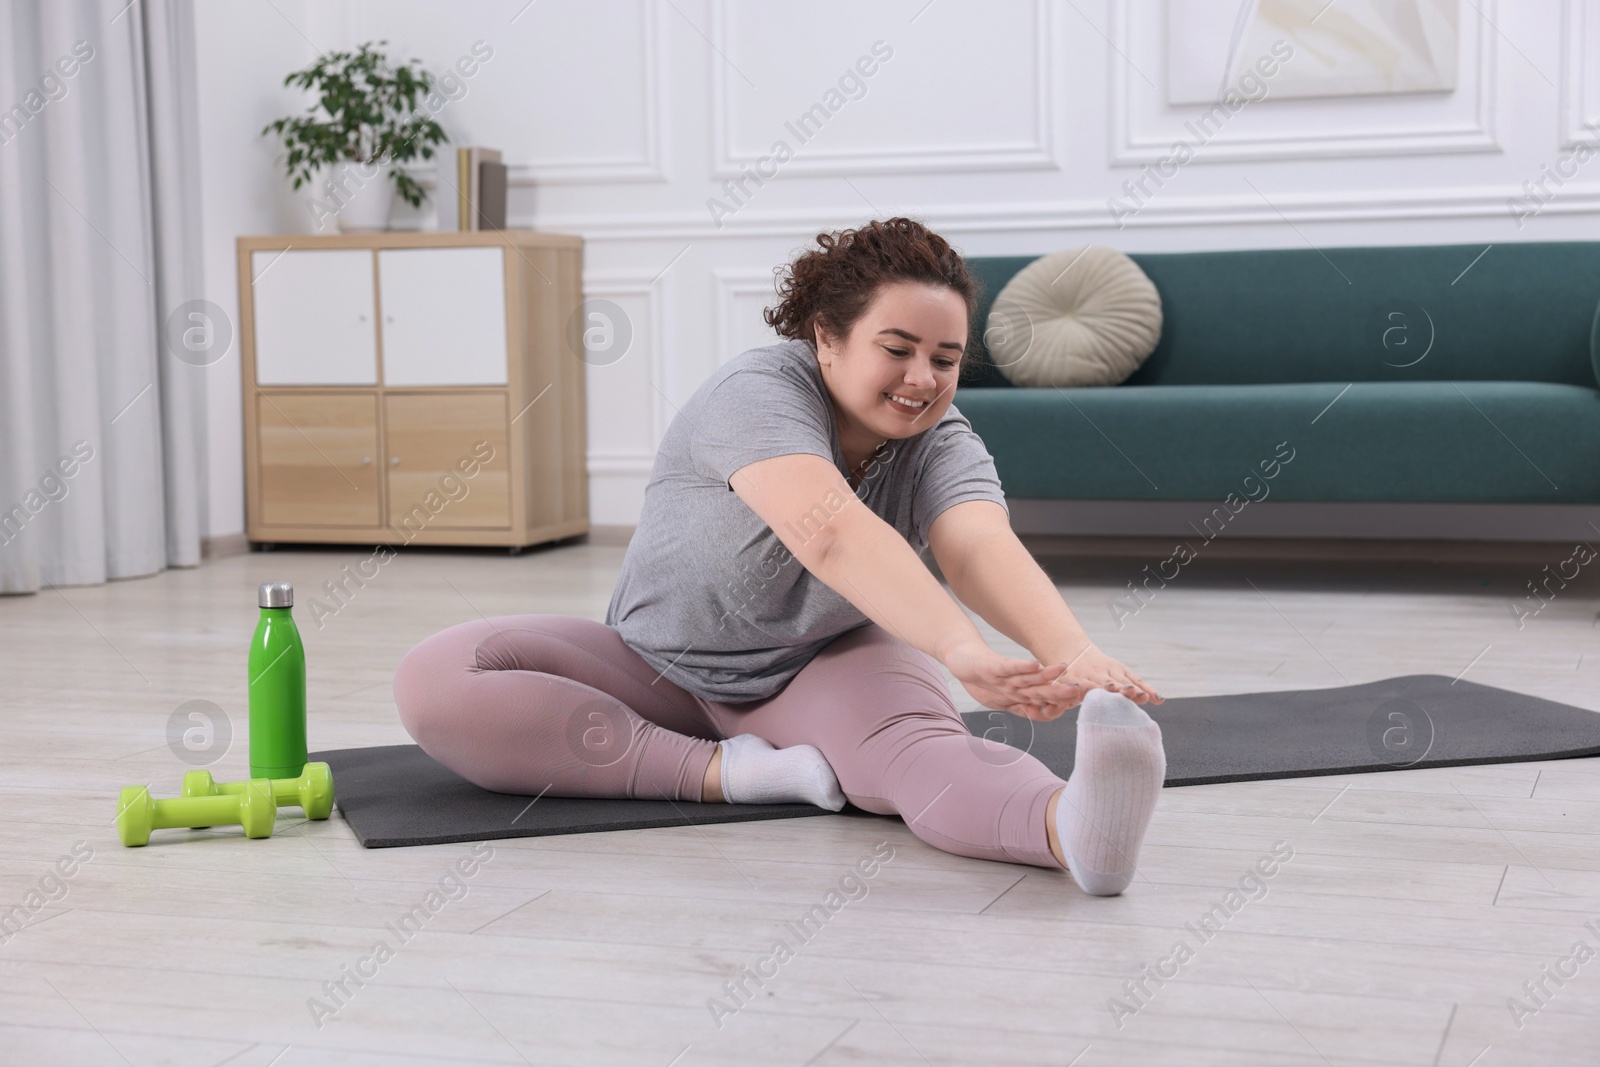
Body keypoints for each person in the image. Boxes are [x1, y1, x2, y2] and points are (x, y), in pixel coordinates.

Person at [394, 217, 1168, 895]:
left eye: (946, 357)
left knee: (914, 753)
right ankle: (732, 775)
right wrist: (963, 648)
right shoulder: (759, 392)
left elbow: (976, 547)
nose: (923, 379)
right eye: (897, 348)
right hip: (651, 667)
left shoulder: (942, 439)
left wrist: (1075, 652)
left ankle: (1073, 829)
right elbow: (827, 528)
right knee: (437, 677)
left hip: (819, 667)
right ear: (827, 336)